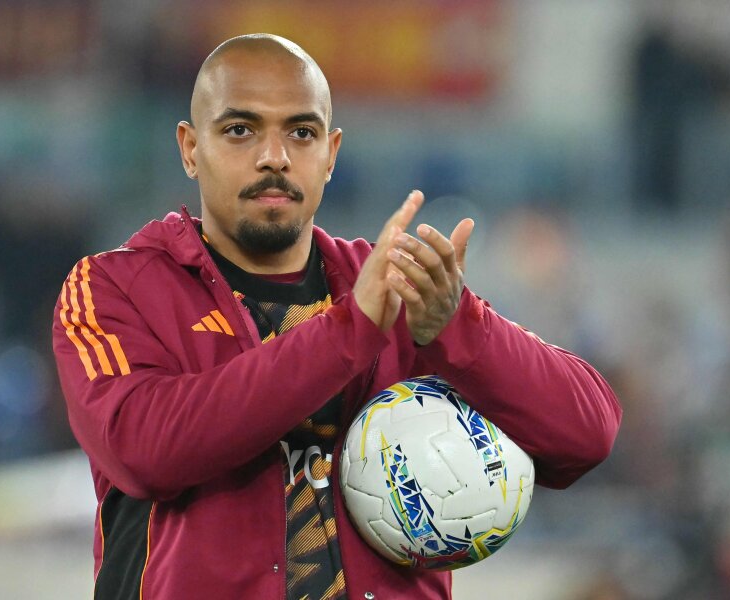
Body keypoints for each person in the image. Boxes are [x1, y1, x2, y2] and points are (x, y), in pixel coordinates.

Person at [52, 33, 622, 600]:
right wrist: (351, 332)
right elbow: (145, 449)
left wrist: (457, 329)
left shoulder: (398, 290)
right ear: (190, 148)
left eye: (301, 133)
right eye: (240, 130)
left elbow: (588, 434)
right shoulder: (115, 287)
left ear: (331, 153)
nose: (274, 157)